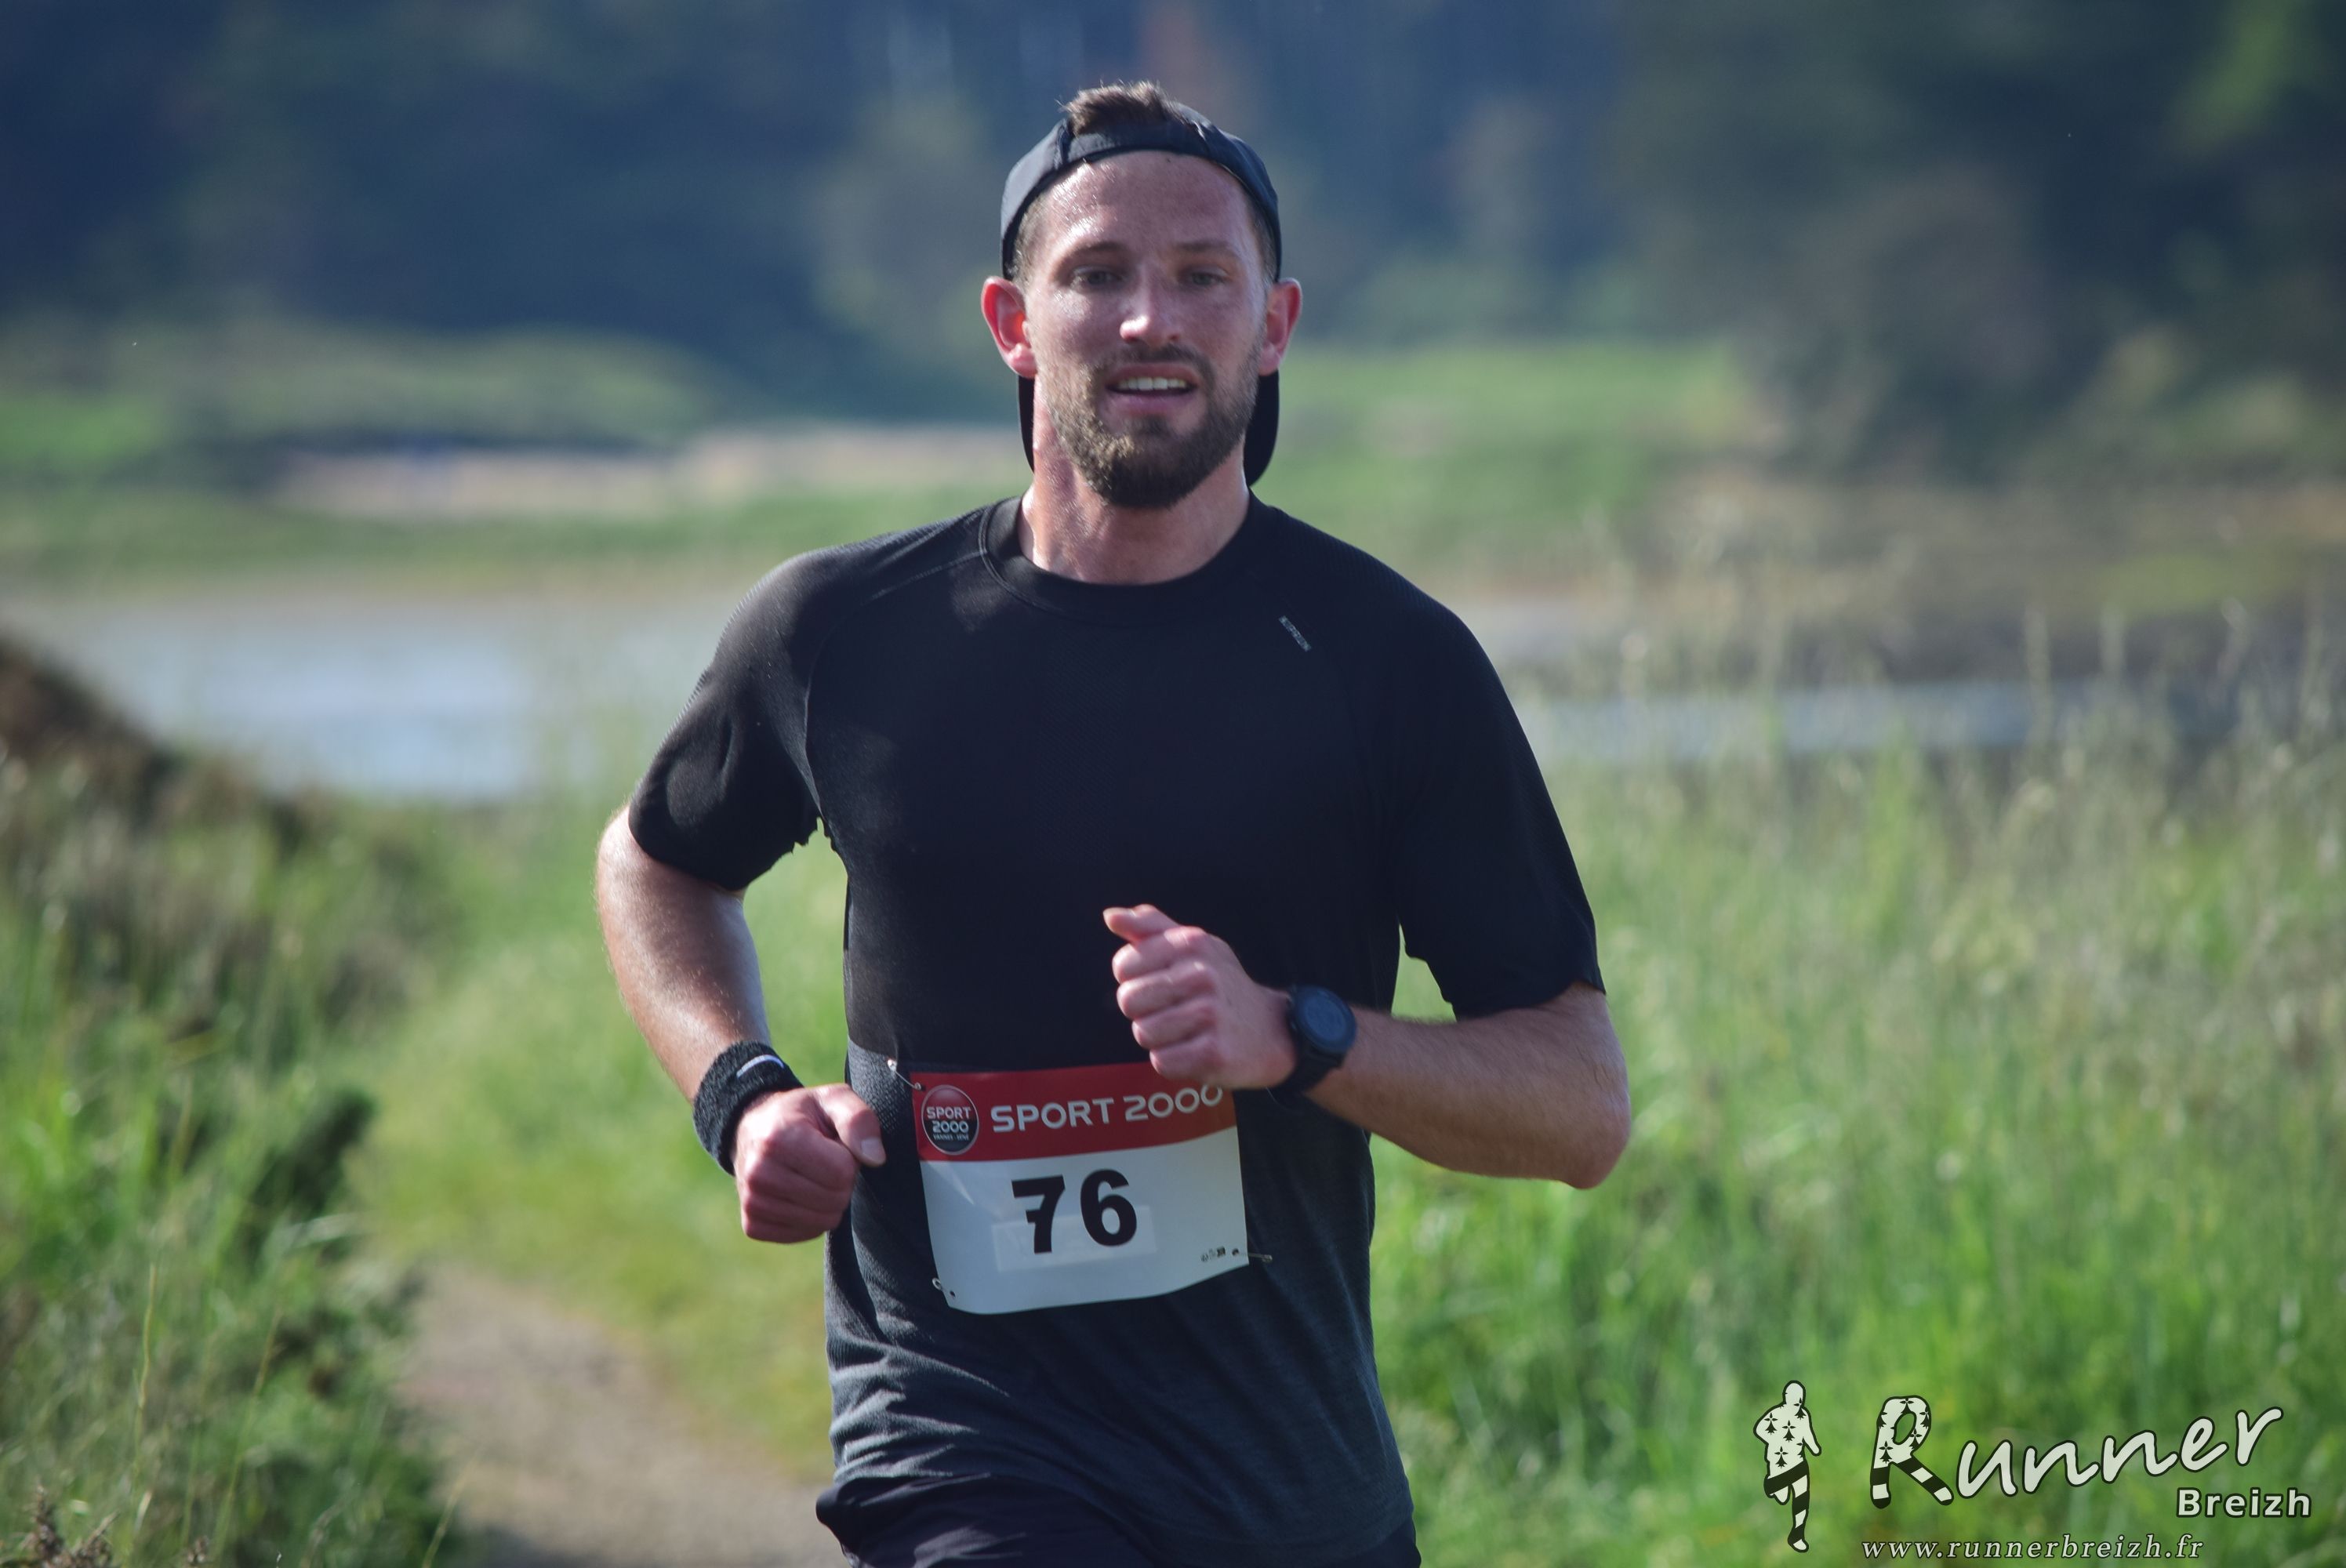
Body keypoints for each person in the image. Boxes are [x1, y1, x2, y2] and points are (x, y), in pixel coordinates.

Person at [596, 81, 1632, 1568]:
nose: (1151, 319)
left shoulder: (1386, 662)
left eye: (1203, 276)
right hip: (961, 1447)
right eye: (1096, 274)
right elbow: (656, 863)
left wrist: (1296, 1034)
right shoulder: (844, 632)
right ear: (1013, 324)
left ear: (1274, 326)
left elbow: (1580, 1107)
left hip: (1290, 1487)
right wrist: (743, 1093)